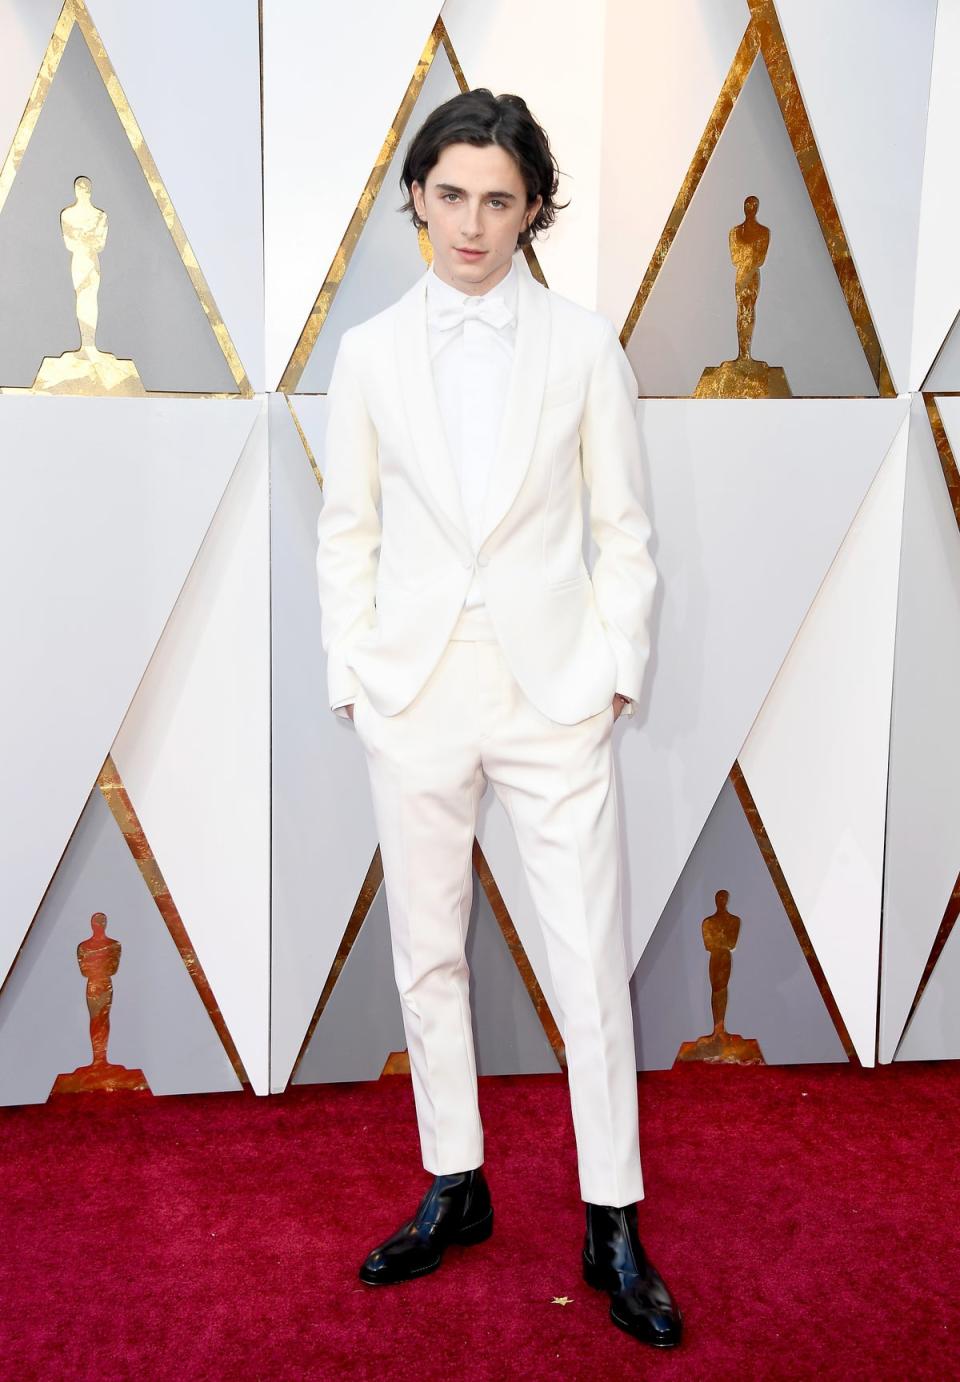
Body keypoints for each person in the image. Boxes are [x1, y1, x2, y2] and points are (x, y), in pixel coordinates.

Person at [315, 88, 682, 1349]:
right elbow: (347, 531)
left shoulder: (585, 348)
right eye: (452, 194)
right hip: (413, 690)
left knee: (587, 961)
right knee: (428, 950)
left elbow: (625, 532)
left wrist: (613, 670)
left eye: (500, 200)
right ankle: (454, 1179)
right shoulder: (364, 354)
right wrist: (355, 677)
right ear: (416, 195)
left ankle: (613, 1217)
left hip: (552, 692)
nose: (473, 223)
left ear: (534, 212)